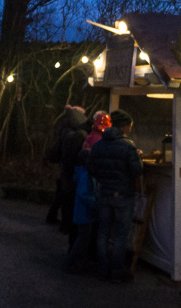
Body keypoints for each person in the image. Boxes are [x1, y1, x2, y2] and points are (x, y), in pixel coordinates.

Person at [87, 108, 142, 283]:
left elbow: (90, 168)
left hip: (104, 193)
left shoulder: (98, 145)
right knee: (120, 234)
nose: (130, 129)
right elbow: (137, 170)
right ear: (124, 126)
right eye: (130, 126)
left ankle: (102, 269)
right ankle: (117, 270)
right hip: (123, 195)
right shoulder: (128, 146)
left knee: (103, 232)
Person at [56, 105, 89, 236]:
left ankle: (65, 224)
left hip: (66, 169)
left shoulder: (65, 131)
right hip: (72, 170)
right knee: (70, 199)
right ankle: (68, 226)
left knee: (65, 197)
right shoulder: (79, 135)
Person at [63, 149, 97, 274]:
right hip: (85, 212)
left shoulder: (81, 173)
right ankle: (71, 263)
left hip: (82, 211)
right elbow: (83, 193)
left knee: (83, 238)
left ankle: (77, 262)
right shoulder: (85, 175)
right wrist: (94, 203)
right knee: (83, 239)